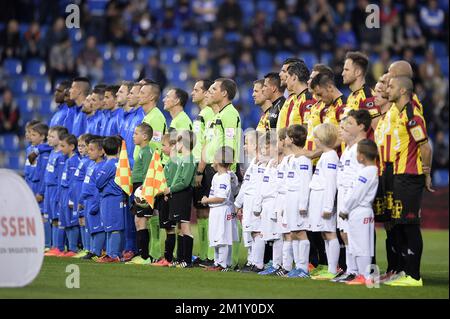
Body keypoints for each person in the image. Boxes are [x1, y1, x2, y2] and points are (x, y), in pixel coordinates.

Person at [384, 76, 433, 287]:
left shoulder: (412, 114)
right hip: (399, 175)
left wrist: (426, 173)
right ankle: (405, 271)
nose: (388, 90)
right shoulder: (402, 113)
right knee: (401, 225)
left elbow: (425, 146)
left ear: (403, 90)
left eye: (392, 86)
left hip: (410, 176)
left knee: (410, 225)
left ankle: (414, 276)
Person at [333, 109, 372, 283]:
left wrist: (352, 199)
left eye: (349, 124)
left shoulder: (361, 148)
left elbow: (361, 178)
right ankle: (351, 269)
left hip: (354, 197)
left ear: (361, 127)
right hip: (343, 193)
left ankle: (357, 271)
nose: (345, 127)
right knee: (344, 233)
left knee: (353, 235)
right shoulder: (349, 148)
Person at [339, 139, 379, 285]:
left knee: (360, 245)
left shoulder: (367, 172)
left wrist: (345, 209)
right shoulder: (370, 170)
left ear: (361, 156)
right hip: (362, 211)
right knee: (360, 244)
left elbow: (357, 193)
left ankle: (364, 275)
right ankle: (363, 275)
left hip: (359, 211)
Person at [136, 79, 168, 262]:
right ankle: (152, 254)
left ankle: (152, 254)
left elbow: (154, 148)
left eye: (142, 92)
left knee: (149, 215)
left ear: (152, 97)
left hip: (151, 172)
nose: (139, 95)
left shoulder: (156, 117)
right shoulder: (148, 116)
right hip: (146, 172)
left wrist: (149, 174)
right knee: (148, 215)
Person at [309, 123, 340, 280]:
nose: (314, 140)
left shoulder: (330, 157)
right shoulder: (326, 156)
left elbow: (331, 183)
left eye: (315, 137)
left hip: (324, 201)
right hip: (319, 199)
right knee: (325, 234)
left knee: (330, 233)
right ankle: (329, 267)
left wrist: (328, 206)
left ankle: (333, 269)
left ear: (321, 139)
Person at [282, 125, 313, 278]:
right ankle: (297, 266)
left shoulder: (303, 160)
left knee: (300, 233)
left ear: (293, 140)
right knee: (293, 232)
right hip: (289, 198)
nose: (285, 139)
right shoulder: (291, 159)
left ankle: (303, 268)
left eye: (287, 137)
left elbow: (305, 183)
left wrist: (303, 204)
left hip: (298, 199)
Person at [164, 130, 197, 268]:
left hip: (183, 195)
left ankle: (187, 260)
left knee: (185, 227)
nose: (175, 145)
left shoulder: (189, 159)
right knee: (180, 227)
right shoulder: (184, 159)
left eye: (177, 141)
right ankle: (181, 257)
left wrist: (170, 189)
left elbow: (184, 182)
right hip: (177, 195)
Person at [191, 80, 215, 265]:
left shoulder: (209, 113)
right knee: (200, 212)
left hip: (204, 167)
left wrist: (200, 169)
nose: (193, 92)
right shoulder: (201, 114)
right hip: (199, 165)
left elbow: (207, 142)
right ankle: (204, 253)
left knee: (206, 212)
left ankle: (210, 254)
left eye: (197, 89)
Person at [201, 146, 236, 271]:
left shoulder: (224, 177)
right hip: (215, 210)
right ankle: (217, 262)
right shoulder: (217, 176)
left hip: (222, 210)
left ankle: (223, 264)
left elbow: (221, 198)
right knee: (216, 236)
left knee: (222, 236)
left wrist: (206, 200)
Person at [95, 137, 127, 263]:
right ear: (118, 149)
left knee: (113, 227)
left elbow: (98, 182)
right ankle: (110, 253)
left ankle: (113, 254)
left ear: (103, 150)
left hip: (111, 198)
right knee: (111, 227)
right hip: (114, 198)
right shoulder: (119, 163)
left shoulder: (109, 165)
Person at [128, 123, 154, 265]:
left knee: (141, 221)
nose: (133, 136)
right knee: (138, 221)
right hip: (138, 188)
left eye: (136, 133)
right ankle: (141, 254)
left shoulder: (147, 152)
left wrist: (143, 191)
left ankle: (145, 257)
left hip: (143, 189)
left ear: (144, 136)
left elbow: (148, 174)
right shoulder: (141, 151)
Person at [151, 134, 179, 267]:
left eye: (163, 145)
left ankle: (168, 259)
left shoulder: (174, 162)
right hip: (165, 197)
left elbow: (171, 181)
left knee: (170, 229)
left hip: (168, 199)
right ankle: (168, 257)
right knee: (169, 229)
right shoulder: (170, 161)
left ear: (172, 146)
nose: (161, 148)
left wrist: (163, 193)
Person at [234, 130, 259, 272]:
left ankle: (256, 262)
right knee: (248, 232)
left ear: (256, 145)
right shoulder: (253, 163)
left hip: (255, 204)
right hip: (248, 203)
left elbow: (252, 187)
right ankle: (251, 261)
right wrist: (239, 203)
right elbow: (245, 186)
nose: (244, 147)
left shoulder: (260, 164)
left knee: (255, 232)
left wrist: (238, 204)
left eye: (247, 143)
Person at [43, 126, 69, 257]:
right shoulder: (52, 153)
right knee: (51, 218)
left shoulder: (61, 157)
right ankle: (53, 245)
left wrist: (59, 195)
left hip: (55, 189)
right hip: (48, 189)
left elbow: (60, 177)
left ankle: (59, 246)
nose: (49, 138)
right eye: (48, 136)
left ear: (60, 140)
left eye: (52, 136)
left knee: (58, 218)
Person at [341, 51, 380, 138]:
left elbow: (377, 130)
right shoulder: (351, 96)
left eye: (346, 70)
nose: (342, 73)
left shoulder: (368, 97)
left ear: (358, 72)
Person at [80, 138, 106, 260]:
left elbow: (98, 187)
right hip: (87, 200)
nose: (88, 151)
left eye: (92, 149)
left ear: (101, 152)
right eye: (88, 149)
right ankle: (90, 249)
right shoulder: (91, 164)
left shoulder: (101, 166)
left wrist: (96, 203)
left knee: (97, 227)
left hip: (94, 200)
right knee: (90, 226)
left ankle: (97, 251)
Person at [28, 123, 52, 249]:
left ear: (42, 137)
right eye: (30, 134)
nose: (30, 137)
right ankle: (38, 241)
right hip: (32, 185)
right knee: (35, 214)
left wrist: (41, 192)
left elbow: (43, 174)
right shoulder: (31, 150)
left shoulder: (44, 152)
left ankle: (47, 243)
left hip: (40, 187)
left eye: (34, 134)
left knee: (44, 215)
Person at [57, 134, 81, 257]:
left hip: (71, 193)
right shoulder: (68, 160)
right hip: (64, 192)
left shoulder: (75, 161)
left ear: (72, 147)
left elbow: (74, 182)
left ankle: (73, 247)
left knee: (72, 221)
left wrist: (72, 199)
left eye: (63, 146)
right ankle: (69, 247)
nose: (60, 148)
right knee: (66, 220)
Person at [72, 134, 94, 258]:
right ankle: (86, 247)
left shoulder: (88, 163)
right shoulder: (82, 161)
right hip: (78, 195)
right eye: (79, 146)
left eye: (83, 146)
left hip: (84, 196)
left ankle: (90, 248)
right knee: (81, 221)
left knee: (86, 221)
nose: (80, 148)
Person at [285, 62, 316, 127]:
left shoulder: (307, 99)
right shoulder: (297, 99)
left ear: (294, 78)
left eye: (287, 77)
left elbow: (307, 127)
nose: (286, 81)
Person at [276, 58, 303, 130]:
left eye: (284, 71)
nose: (280, 74)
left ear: (294, 75)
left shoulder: (299, 99)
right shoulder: (288, 98)